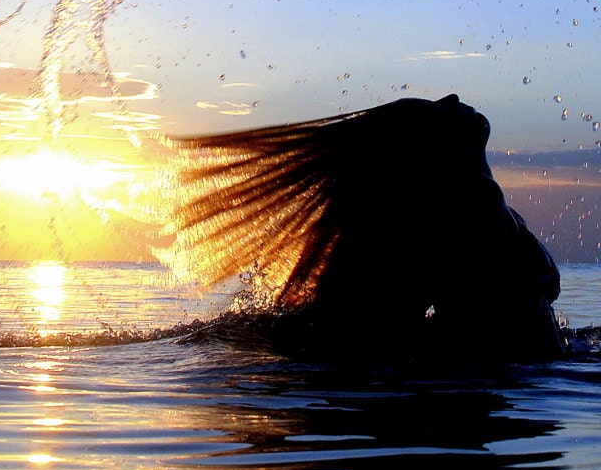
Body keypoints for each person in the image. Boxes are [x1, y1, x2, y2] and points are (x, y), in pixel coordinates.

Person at [169, 94, 566, 361]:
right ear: (421, 151)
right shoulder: (469, 202)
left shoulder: (466, 201)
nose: (452, 98)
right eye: (431, 110)